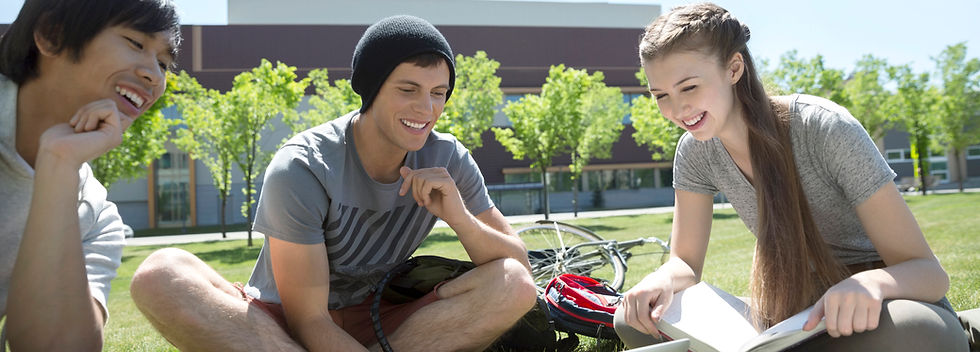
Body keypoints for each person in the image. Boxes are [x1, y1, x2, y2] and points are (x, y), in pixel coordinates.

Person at [129, 15, 537, 351]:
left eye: (438, 93)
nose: (426, 108)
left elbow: (518, 263)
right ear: (371, 88)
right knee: (160, 273)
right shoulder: (304, 166)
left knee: (514, 284)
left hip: (376, 317)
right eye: (408, 89)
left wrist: (460, 217)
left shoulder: (447, 158)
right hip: (280, 322)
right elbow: (308, 319)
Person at [614, 3, 968, 351]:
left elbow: (929, 274)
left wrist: (867, 284)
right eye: (661, 95)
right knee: (632, 318)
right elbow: (686, 265)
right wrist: (661, 279)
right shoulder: (694, 152)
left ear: (733, 68)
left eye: (689, 87)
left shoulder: (823, 128)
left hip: (876, 307)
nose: (677, 109)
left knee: (923, 332)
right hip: (788, 317)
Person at [0, 0, 180, 349]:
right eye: (135, 43)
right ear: (51, 35)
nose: (155, 77)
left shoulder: (95, 216)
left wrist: (59, 165)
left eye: (164, 63)